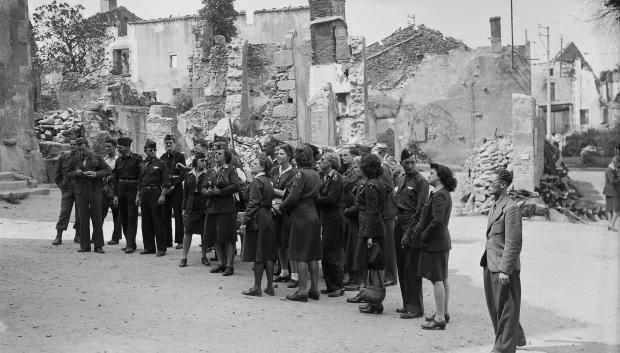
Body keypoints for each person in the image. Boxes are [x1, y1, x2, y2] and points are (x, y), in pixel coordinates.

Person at [482, 169, 526, 351]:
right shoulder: (495, 204)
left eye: (492, 182)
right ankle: (518, 337)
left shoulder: (511, 208)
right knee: (496, 308)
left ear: (502, 185)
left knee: (507, 310)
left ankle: (503, 348)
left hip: (502, 267)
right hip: (489, 263)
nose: (488, 185)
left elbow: (514, 243)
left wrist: (505, 269)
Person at [274, 145, 322, 302]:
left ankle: (302, 290)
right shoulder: (315, 173)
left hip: (301, 215)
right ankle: (314, 289)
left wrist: (281, 207)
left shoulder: (300, 174)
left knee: (300, 254)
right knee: (313, 254)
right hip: (313, 213)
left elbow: (294, 196)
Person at [415, 163, 456, 330]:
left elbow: (437, 221)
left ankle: (439, 318)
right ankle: (443, 312)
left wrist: (424, 235)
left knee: (437, 279)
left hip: (435, 242)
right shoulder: (440, 193)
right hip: (439, 242)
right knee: (442, 278)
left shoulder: (440, 195)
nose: (428, 175)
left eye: (432, 173)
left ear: (439, 177)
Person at [348, 154, 387, 314]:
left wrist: (369, 236)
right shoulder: (379, 182)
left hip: (370, 228)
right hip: (374, 227)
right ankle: (372, 300)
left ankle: (375, 301)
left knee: (373, 265)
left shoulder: (371, 185)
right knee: (373, 265)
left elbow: (372, 211)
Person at [397, 149, 429, 319]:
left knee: (411, 267)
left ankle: (415, 307)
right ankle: (406, 303)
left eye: (412, 162)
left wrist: (409, 232)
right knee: (401, 267)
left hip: (411, 225)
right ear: (401, 163)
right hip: (399, 222)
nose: (410, 166)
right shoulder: (402, 178)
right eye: (406, 163)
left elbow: (421, 209)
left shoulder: (421, 181)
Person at [240, 155, 276, 296]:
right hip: (268, 216)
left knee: (258, 253)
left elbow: (253, 202)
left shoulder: (257, 181)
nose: (252, 165)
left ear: (262, 167)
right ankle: (270, 286)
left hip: (258, 217)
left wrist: (245, 221)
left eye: (255, 163)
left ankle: (256, 287)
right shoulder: (269, 180)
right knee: (268, 253)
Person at [69, 138, 112, 253]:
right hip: (81, 192)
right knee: (83, 219)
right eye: (80, 150)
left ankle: (98, 245)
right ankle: (85, 245)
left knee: (97, 218)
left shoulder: (97, 158)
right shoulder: (74, 159)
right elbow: (68, 173)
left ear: (88, 146)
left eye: (83, 149)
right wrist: (76, 173)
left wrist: (96, 174)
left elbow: (108, 170)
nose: (82, 152)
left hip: (95, 191)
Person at [203, 148, 240, 276]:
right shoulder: (210, 171)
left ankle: (230, 266)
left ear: (226, 157)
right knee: (216, 237)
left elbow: (236, 186)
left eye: (219, 153)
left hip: (226, 208)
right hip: (212, 207)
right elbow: (203, 187)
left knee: (228, 237)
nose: (216, 155)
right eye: (215, 153)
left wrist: (220, 192)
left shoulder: (231, 170)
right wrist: (206, 192)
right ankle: (221, 263)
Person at [317, 152, 346, 297]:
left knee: (333, 252)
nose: (320, 162)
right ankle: (331, 285)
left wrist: (316, 198)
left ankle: (338, 286)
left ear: (329, 162)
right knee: (326, 251)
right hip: (327, 217)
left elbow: (331, 198)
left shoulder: (336, 177)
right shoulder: (326, 177)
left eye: (322, 160)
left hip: (334, 217)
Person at [137, 139, 170, 257]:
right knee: (146, 221)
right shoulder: (143, 164)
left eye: (155, 149)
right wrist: (138, 196)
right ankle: (149, 247)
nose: (153, 151)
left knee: (158, 221)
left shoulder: (161, 163)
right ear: (145, 150)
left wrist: (162, 195)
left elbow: (166, 182)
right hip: (145, 192)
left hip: (156, 192)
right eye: (150, 150)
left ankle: (161, 248)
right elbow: (140, 182)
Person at [372, 143, 398, 286]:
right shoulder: (380, 168)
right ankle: (386, 274)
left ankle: (391, 276)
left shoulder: (383, 168)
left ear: (381, 154)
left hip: (387, 211)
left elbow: (388, 187)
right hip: (383, 211)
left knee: (388, 246)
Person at [271, 143, 297, 286]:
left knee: (288, 242)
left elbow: (287, 193)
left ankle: (295, 274)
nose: (278, 156)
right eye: (278, 154)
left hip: (286, 211)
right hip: (274, 210)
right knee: (278, 241)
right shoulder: (275, 170)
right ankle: (284, 271)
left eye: (281, 154)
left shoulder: (293, 173)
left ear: (289, 156)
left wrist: (271, 189)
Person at [112, 137, 142, 254]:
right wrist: (115, 195)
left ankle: (130, 244)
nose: (118, 147)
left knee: (132, 218)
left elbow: (141, 177)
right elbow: (115, 179)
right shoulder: (118, 161)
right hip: (121, 189)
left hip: (133, 189)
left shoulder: (137, 159)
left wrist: (139, 194)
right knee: (123, 218)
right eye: (118, 145)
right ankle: (130, 243)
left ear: (128, 147)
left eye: (121, 146)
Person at [179, 152, 209, 267]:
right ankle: (184, 257)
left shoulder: (208, 174)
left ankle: (204, 256)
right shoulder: (189, 174)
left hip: (203, 206)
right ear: (196, 161)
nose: (204, 162)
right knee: (187, 233)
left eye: (205, 161)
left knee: (204, 233)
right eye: (202, 160)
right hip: (190, 206)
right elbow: (185, 193)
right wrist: (183, 208)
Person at [52, 136, 80, 245]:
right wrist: (62, 186)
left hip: (79, 189)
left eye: (75, 144)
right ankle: (59, 236)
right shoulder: (63, 157)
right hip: (67, 189)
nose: (73, 146)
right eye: (71, 144)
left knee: (80, 214)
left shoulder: (82, 158)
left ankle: (78, 235)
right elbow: (57, 175)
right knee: (64, 212)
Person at [341, 147, 362, 289]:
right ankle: (353, 277)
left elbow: (358, 201)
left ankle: (356, 280)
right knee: (350, 247)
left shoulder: (358, 178)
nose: (343, 158)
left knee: (354, 248)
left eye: (345, 155)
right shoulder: (347, 172)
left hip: (355, 216)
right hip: (350, 214)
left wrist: (348, 210)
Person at [160, 134, 186, 249]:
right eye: (167, 143)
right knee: (166, 214)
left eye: (170, 142)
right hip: (166, 188)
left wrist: (175, 186)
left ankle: (180, 241)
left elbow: (183, 173)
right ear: (164, 144)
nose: (169, 144)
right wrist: (165, 187)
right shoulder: (163, 157)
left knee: (178, 214)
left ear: (174, 144)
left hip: (177, 188)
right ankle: (168, 240)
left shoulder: (180, 156)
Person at [102, 138, 122, 245]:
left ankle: (116, 237)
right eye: (105, 146)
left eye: (109, 146)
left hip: (115, 189)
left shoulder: (119, 160)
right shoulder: (103, 160)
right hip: (104, 190)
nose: (107, 149)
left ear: (115, 147)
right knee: (101, 213)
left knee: (117, 215)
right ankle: (96, 235)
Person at [603, 156, 620, 232]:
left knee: (610, 209)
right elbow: (612, 181)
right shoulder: (611, 170)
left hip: (608, 191)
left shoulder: (609, 169)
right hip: (613, 192)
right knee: (617, 209)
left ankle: (610, 225)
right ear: (616, 163)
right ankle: (611, 224)